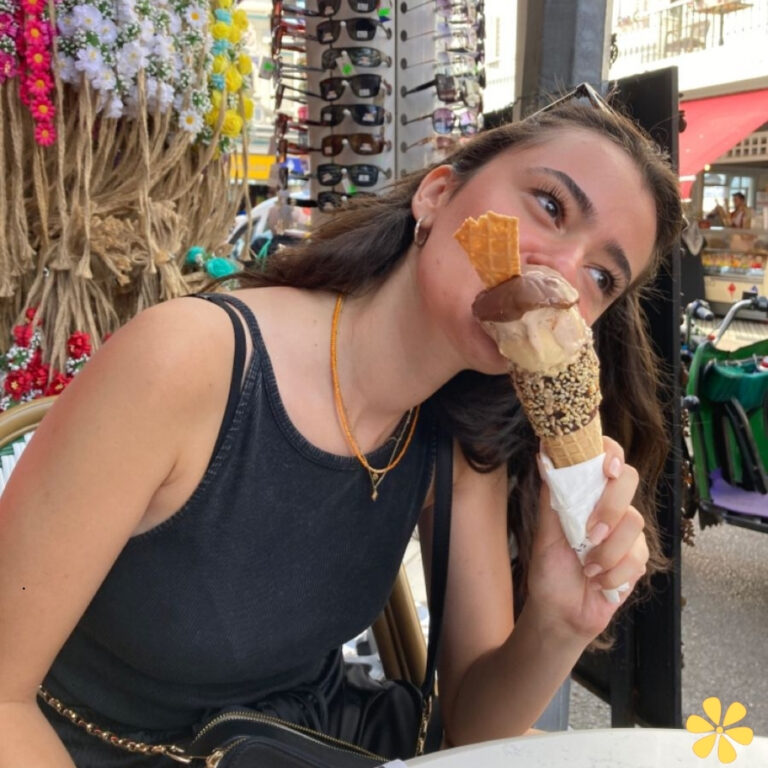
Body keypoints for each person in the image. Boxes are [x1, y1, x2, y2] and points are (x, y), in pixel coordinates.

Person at [0, 94, 682, 768]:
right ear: (437, 195)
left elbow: (475, 728)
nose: (562, 276)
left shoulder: (457, 444)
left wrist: (559, 621)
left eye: (601, 276)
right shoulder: (186, 363)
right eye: (550, 206)